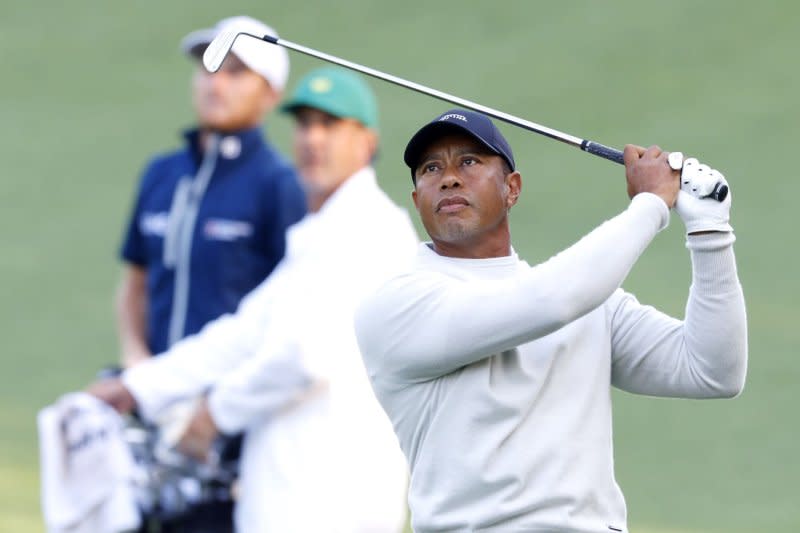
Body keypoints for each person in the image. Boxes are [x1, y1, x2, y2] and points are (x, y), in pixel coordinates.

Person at [354, 109, 748, 532]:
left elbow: (713, 371)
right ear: (417, 200)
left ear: (512, 189)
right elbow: (550, 301)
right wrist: (650, 205)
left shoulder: (589, 302)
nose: (449, 178)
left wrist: (710, 233)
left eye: (469, 161)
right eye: (431, 169)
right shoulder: (397, 306)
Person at [90, 67, 419, 532]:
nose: (313, 139)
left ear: (366, 141)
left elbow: (305, 357)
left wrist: (214, 414)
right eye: (304, 124)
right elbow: (244, 332)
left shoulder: (371, 232)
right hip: (292, 497)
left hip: (333, 501)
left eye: (330, 125)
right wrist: (138, 387)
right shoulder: (318, 234)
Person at [116, 15, 306, 368]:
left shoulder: (280, 184)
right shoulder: (161, 172)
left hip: (229, 405)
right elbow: (134, 283)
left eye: (235, 72)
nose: (215, 84)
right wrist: (135, 360)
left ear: (271, 94)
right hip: (153, 392)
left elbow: (292, 310)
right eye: (208, 68)